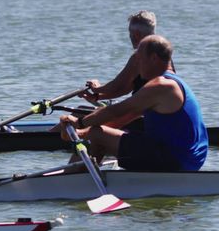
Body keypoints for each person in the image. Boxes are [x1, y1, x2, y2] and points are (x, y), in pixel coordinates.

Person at [59, 35, 207, 172]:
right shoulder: (173, 82)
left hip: (175, 160)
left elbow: (116, 111)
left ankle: (68, 182)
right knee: (98, 133)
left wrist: (80, 123)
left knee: (96, 134)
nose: (136, 65)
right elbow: (125, 117)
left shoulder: (161, 85)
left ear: (154, 58)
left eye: (139, 59)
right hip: (186, 158)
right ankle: (82, 177)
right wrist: (82, 133)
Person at [84, 10, 175, 104]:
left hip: (145, 112)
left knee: (76, 114)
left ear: (136, 35)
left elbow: (116, 85)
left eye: (130, 33)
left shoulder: (139, 57)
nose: (130, 37)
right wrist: (97, 97)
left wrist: (96, 88)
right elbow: (126, 89)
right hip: (157, 107)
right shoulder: (163, 53)